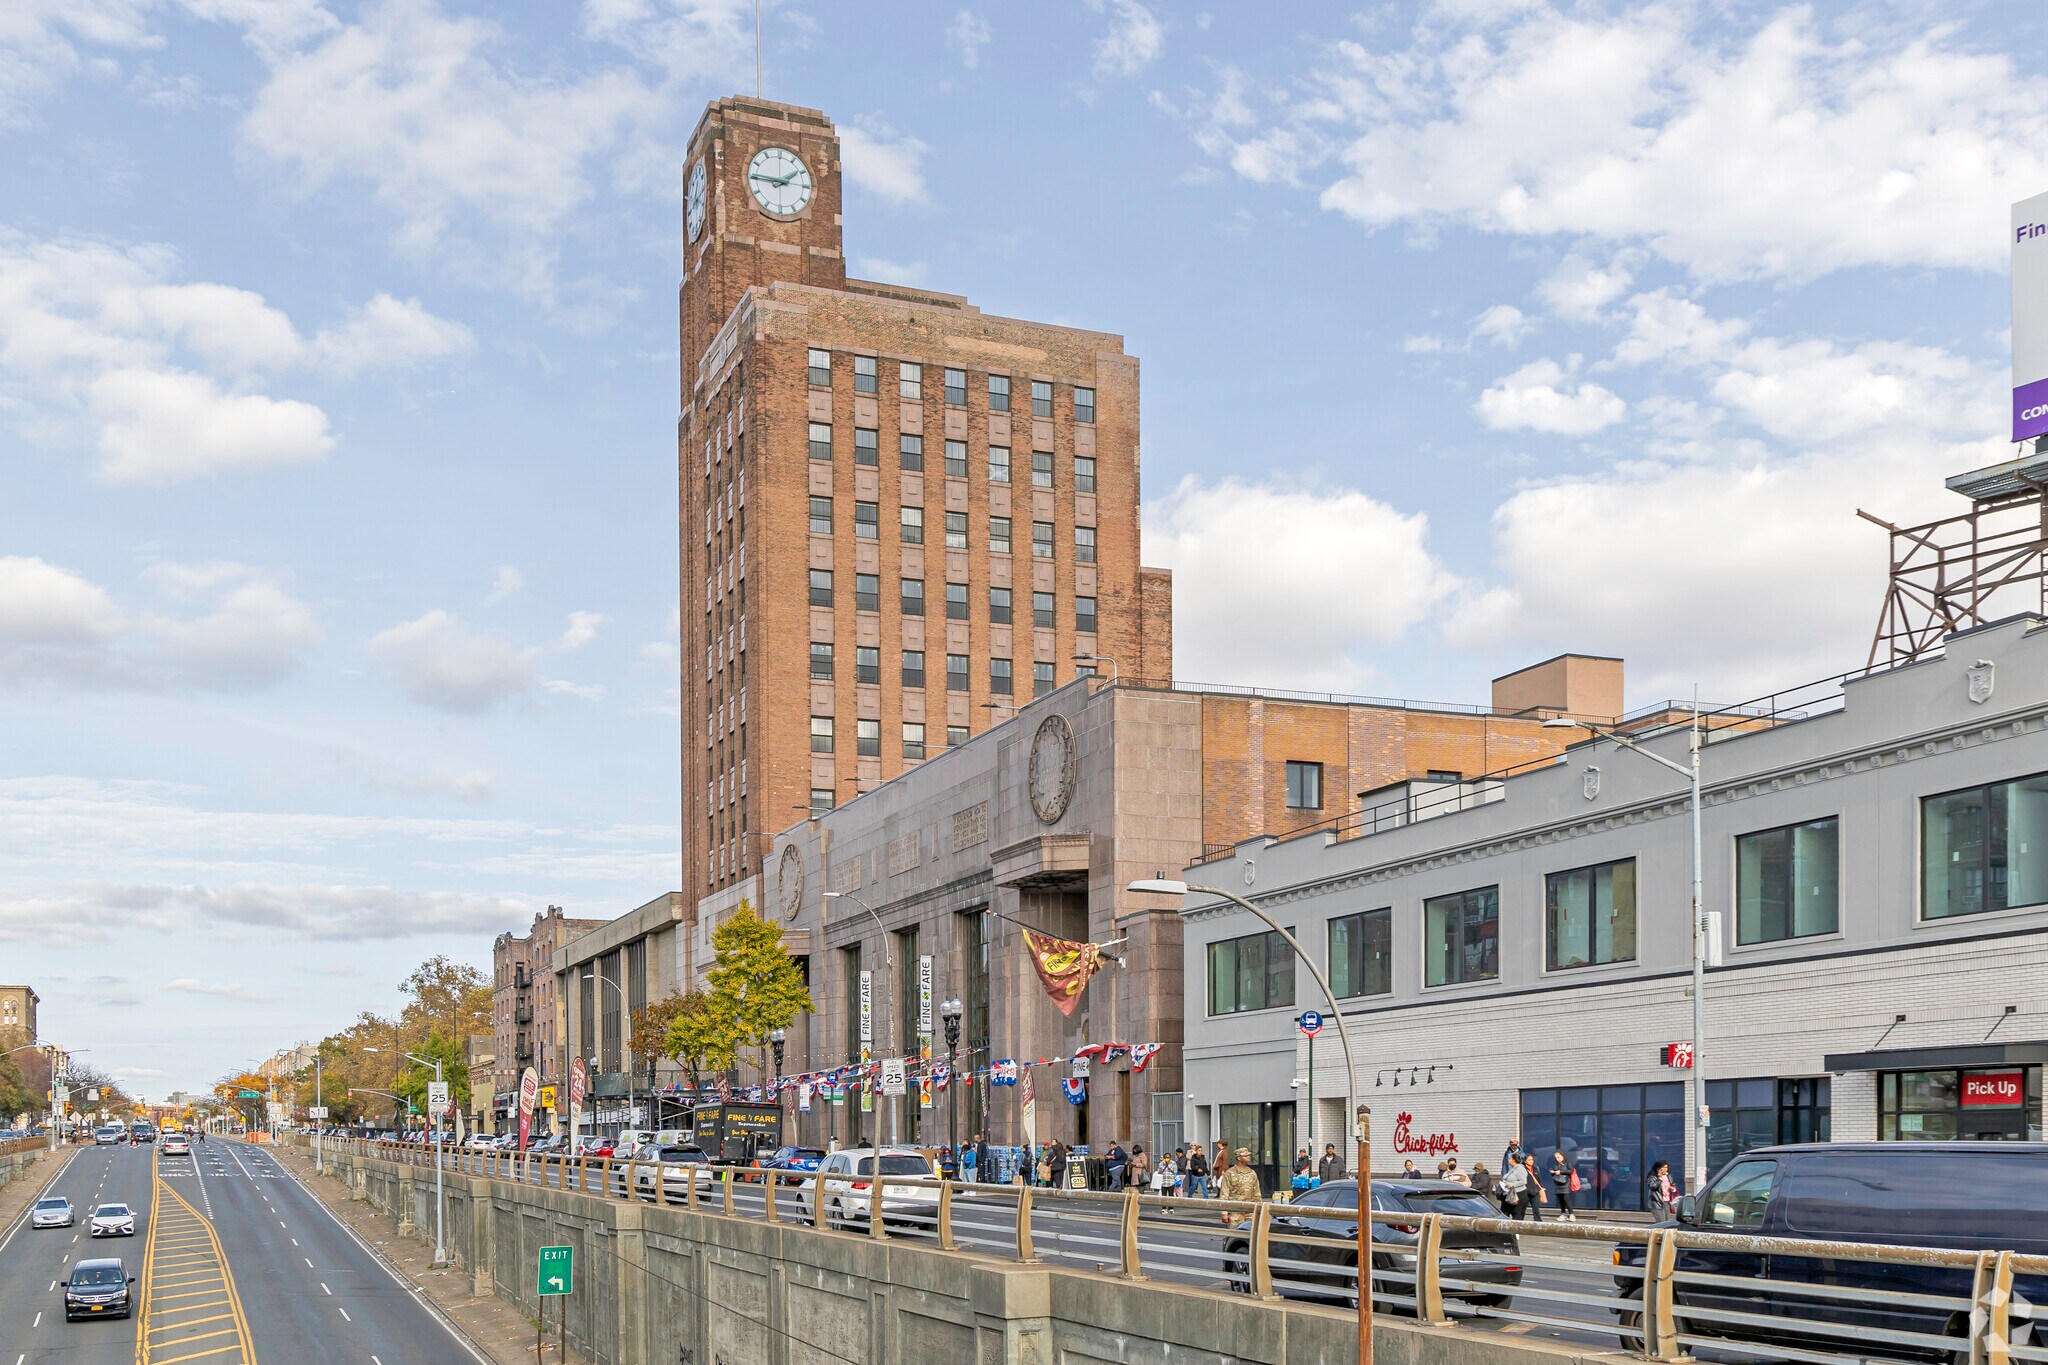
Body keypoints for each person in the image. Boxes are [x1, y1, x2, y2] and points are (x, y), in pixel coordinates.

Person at [1217, 1145, 1262, 1223]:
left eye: (1249, 1155)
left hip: (1250, 1210)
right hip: (1235, 1211)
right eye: (1245, 1155)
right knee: (1235, 1233)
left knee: (1250, 1233)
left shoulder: (1252, 1173)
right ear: (1238, 1158)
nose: (1248, 1157)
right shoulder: (1230, 1173)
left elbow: (1257, 1193)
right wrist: (1224, 1213)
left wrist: (1260, 1209)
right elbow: (1224, 1193)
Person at [1547, 1150, 1576, 1221]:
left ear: (1562, 1156)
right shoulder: (1556, 1164)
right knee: (1560, 1199)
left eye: (1558, 1157)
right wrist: (1553, 1172)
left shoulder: (1568, 1162)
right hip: (1558, 1183)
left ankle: (1571, 1214)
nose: (1557, 1159)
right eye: (1556, 1158)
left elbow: (1571, 1170)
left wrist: (1561, 1172)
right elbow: (1556, 1173)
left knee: (1566, 1198)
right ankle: (1563, 1213)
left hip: (1565, 1183)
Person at [1520, 1155, 1547, 1222]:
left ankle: (1538, 1222)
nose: (1531, 1161)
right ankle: (1520, 1221)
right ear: (1525, 1161)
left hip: (1535, 1192)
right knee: (1522, 1209)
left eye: (1532, 1160)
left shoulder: (1535, 1169)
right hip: (1525, 1192)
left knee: (1536, 1209)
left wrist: (1540, 1188)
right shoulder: (1522, 1169)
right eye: (1529, 1160)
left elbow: (1538, 1180)